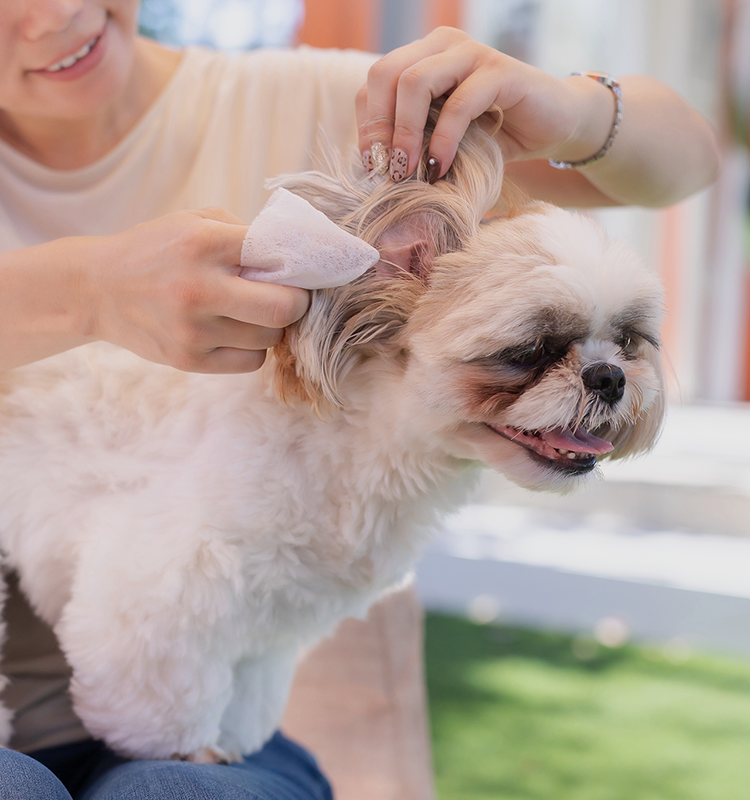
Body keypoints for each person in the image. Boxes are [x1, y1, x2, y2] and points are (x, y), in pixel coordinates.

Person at [0, 3, 719, 798]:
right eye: (524, 356)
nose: (54, 14)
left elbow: (689, 159)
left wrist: (574, 107)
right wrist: (82, 292)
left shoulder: (363, 118)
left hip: (220, 720)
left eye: (624, 345)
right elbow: (139, 594)